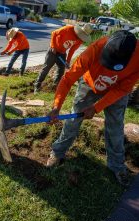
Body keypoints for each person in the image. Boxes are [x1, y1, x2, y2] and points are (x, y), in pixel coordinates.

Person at [46, 30, 138, 187]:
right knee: (74, 118)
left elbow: (123, 89)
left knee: (115, 127)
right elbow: (67, 79)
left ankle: (117, 165)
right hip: (89, 85)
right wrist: (56, 106)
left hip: (117, 90)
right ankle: (58, 152)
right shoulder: (94, 50)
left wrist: (96, 107)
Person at [34, 24, 93, 93]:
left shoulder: (80, 40)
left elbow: (72, 50)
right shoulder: (68, 29)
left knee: (61, 69)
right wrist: (53, 46)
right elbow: (54, 33)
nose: (81, 37)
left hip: (62, 53)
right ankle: (37, 85)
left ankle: (55, 86)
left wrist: (68, 61)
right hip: (53, 51)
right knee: (46, 68)